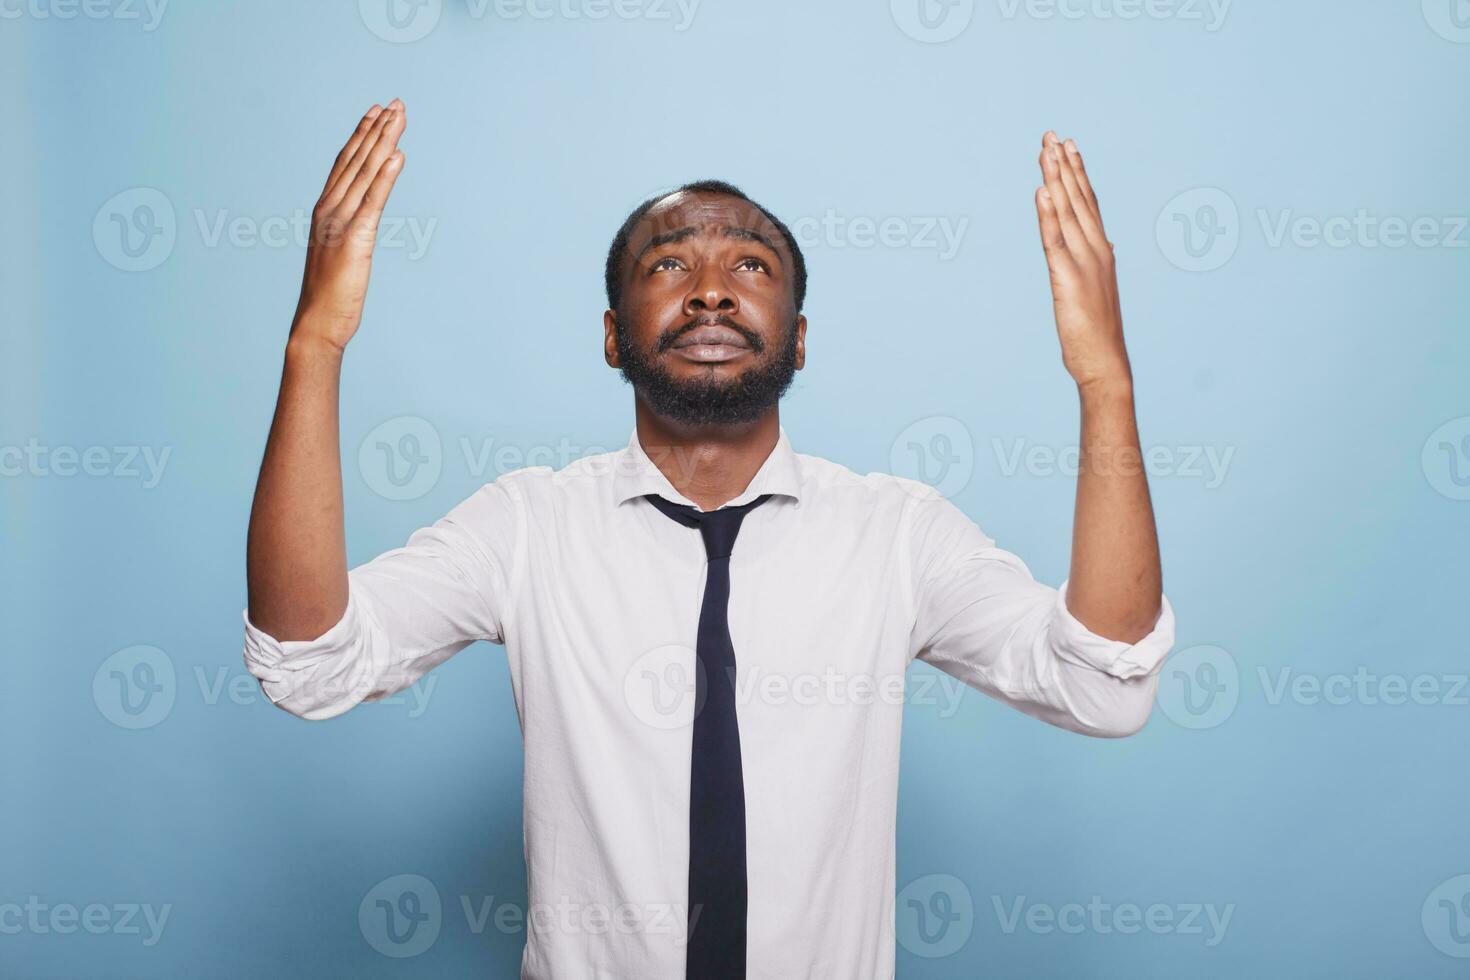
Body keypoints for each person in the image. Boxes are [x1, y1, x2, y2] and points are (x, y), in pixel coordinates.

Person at [242, 98, 1176, 980]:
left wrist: (1108, 384)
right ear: (614, 337)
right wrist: (313, 346)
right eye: (669, 266)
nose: (712, 295)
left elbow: (1104, 687)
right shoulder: (526, 526)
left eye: (751, 268)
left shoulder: (897, 534)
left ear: (799, 340)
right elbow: (309, 664)